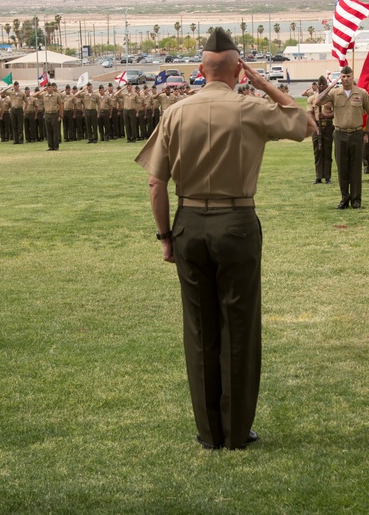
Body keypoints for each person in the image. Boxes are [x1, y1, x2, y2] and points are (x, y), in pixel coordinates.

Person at [135, 28, 315, 451]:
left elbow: (156, 185)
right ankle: (236, 432)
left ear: (199, 70)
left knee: (200, 331)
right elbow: (305, 123)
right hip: (236, 223)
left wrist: (165, 238)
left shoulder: (176, 112)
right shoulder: (250, 108)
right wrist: (265, 84)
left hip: (190, 223)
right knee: (239, 327)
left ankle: (209, 433)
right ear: (239, 70)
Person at [315, 66, 369, 209]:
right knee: (342, 168)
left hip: (356, 133)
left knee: (355, 168)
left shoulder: (361, 93)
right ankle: (344, 199)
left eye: (348, 76)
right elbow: (317, 101)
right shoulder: (335, 93)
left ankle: (356, 200)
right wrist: (331, 85)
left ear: (353, 77)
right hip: (340, 134)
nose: (346, 79)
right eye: (343, 76)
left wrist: (367, 133)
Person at [306, 76, 334, 184]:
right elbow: (310, 113)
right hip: (316, 126)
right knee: (317, 151)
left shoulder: (331, 98)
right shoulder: (312, 99)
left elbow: (335, 113)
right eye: (320, 84)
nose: (322, 86)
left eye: (324, 84)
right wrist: (316, 127)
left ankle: (327, 176)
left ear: (327, 85)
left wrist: (326, 116)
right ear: (317, 86)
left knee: (327, 151)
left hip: (327, 126)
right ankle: (318, 176)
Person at [39, 82, 65, 150]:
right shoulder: (44, 95)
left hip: (54, 114)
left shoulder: (56, 95)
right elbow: (34, 95)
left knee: (55, 131)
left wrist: (60, 115)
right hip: (47, 114)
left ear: (52, 88)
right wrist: (42, 90)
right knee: (48, 131)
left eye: (49, 87)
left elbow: (61, 105)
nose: (48, 88)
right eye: (47, 87)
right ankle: (50, 146)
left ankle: (56, 146)